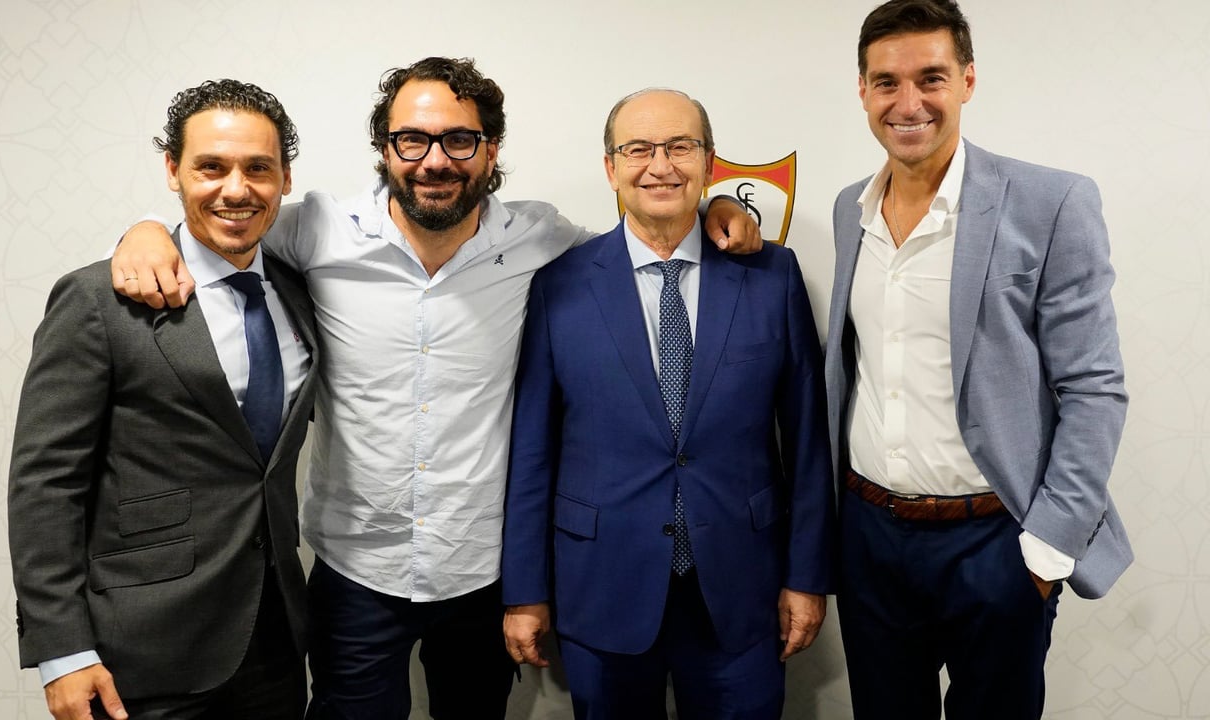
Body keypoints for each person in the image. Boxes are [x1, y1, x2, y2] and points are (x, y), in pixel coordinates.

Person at [109, 58, 760, 720]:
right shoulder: (319, 230)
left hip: (481, 569)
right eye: (412, 140)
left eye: (459, 140)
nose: (435, 160)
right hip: (356, 567)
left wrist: (714, 206)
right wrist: (146, 231)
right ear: (385, 148)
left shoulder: (539, 238)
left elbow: (642, 245)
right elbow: (225, 215)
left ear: (490, 151)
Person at [824, 2, 1132, 718]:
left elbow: (1094, 386)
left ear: (967, 80)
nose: (908, 103)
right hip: (870, 536)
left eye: (930, 78)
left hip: (996, 542)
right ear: (863, 90)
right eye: (886, 82)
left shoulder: (1051, 202)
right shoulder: (849, 209)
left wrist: (1045, 549)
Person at [501, 88, 834, 719]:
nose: (661, 165)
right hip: (602, 584)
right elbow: (533, 453)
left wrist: (807, 575)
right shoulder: (558, 285)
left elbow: (808, 443)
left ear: (709, 163)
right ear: (611, 168)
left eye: (680, 146)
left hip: (742, 586)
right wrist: (524, 592)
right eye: (639, 149)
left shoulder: (773, 276)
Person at [8, 79, 318, 720]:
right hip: (141, 651)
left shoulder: (300, 292)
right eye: (211, 167)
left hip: (276, 639)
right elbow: (45, 483)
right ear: (173, 170)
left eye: (258, 168)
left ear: (285, 179)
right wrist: (62, 650)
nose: (236, 189)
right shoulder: (99, 299)